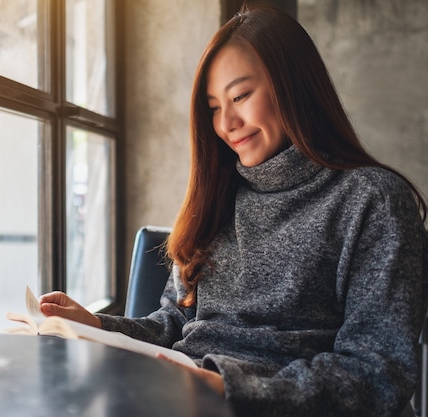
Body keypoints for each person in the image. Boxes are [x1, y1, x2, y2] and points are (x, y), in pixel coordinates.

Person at [39, 4, 428, 417]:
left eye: (240, 95)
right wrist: (97, 326)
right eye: (213, 107)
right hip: (182, 399)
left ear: (295, 86)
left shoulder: (373, 201)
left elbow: (377, 372)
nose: (226, 123)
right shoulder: (215, 198)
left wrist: (232, 390)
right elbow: (173, 324)